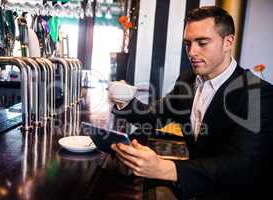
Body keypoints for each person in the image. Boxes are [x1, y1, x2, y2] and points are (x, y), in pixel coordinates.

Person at [110, 6, 273, 200]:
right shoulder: (188, 79)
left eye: (202, 43)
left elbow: (242, 164)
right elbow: (156, 116)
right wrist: (124, 100)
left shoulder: (258, 93)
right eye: (188, 44)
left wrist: (165, 168)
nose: (192, 52)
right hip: (196, 185)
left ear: (228, 42)